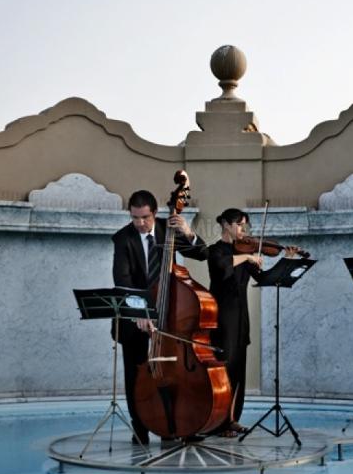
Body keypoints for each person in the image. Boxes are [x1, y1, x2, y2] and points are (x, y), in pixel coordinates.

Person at [112, 189, 208, 445]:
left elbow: (202, 253)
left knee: (174, 370)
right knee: (136, 375)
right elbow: (122, 282)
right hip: (136, 319)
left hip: (170, 317)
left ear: (154, 213)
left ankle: (178, 425)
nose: (139, 223)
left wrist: (188, 232)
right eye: (134, 218)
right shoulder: (123, 239)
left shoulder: (170, 228)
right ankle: (140, 428)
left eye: (144, 217)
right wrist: (140, 312)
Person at [207, 208, 297, 437]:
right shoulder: (216, 251)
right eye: (239, 225)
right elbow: (221, 268)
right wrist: (247, 257)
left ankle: (232, 419)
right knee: (224, 371)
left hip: (241, 317)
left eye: (244, 226)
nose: (243, 231)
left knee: (238, 371)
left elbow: (265, 279)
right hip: (222, 317)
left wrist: (285, 262)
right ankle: (218, 423)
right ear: (226, 224)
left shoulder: (245, 251)